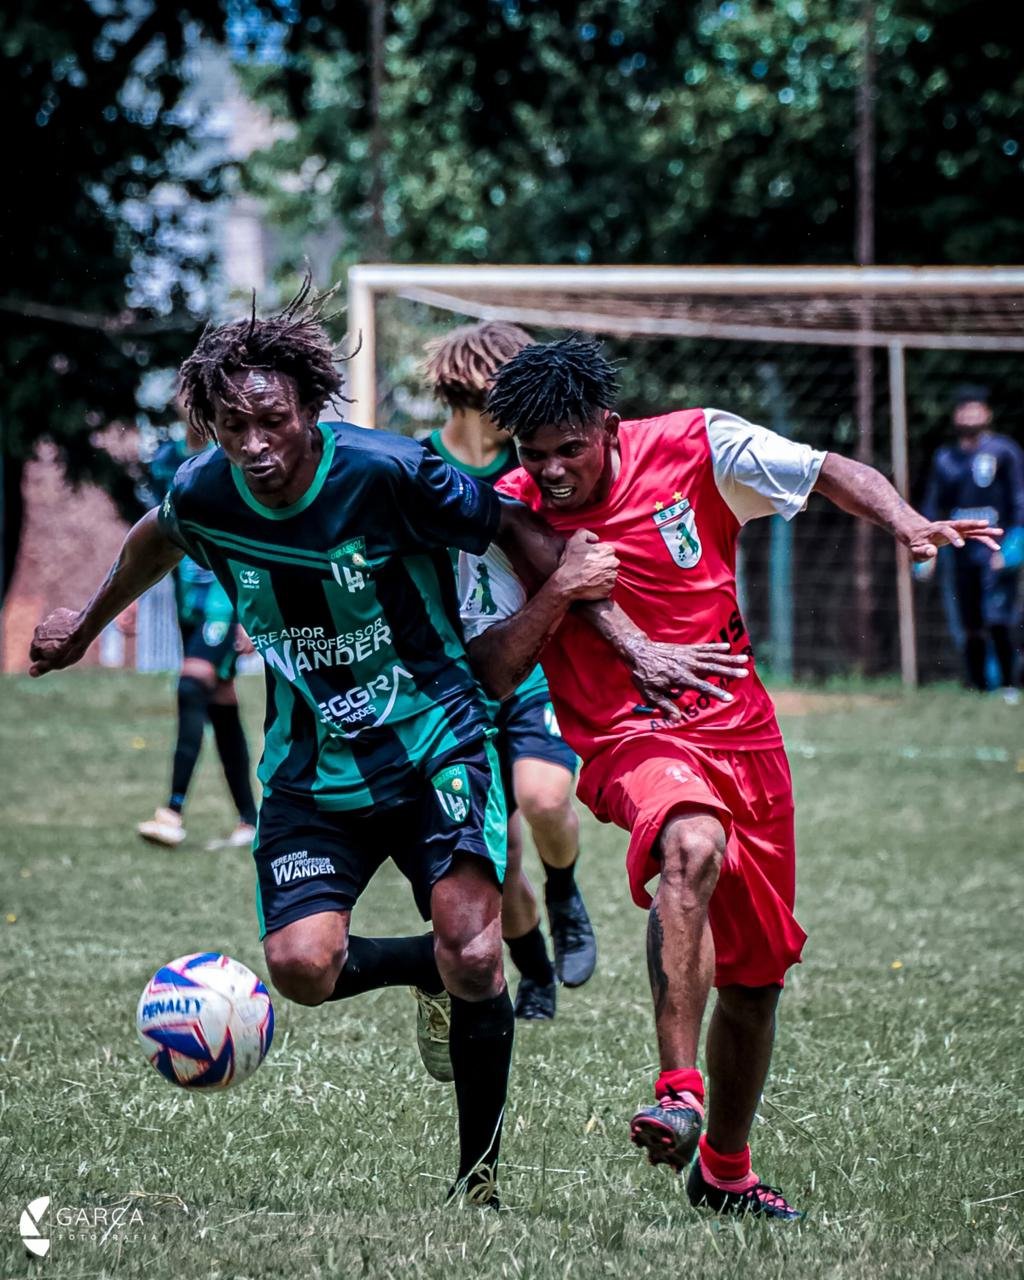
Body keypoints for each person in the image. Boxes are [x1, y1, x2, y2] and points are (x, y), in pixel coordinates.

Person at [28, 290, 730, 1208]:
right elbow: (154, 539)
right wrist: (82, 629)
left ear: (309, 410)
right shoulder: (205, 491)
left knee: (476, 952)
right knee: (301, 969)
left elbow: (522, 531)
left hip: (436, 742)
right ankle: (424, 973)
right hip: (310, 768)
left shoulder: (391, 471)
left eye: (273, 422)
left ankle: (477, 1184)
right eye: (233, 427)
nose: (254, 444)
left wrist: (631, 643)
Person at [459, 337, 1002, 1219]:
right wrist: (557, 591)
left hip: (746, 740)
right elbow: (490, 668)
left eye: (569, 449)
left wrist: (904, 520)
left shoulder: (698, 445)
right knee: (691, 842)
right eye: (533, 452)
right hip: (628, 739)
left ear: (610, 427)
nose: (550, 470)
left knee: (754, 983)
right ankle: (677, 1091)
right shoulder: (504, 517)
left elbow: (827, 471)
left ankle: (725, 1172)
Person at [423, 321, 594, 1022]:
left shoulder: (535, 469)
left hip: (532, 667)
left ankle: (567, 894)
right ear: (474, 394)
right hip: (458, 682)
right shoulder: (420, 467)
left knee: (545, 798)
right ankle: (535, 972)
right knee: (503, 855)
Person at [136, 426, 259, 850]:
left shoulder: (229, 460)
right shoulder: (166, 461)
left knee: (192, 686)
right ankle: (250, 820)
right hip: (187, 600)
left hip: (223, 600)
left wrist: (250, 612)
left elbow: (252, 532)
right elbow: (153, 530)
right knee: (220, 702)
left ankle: (172, 812)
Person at [920, 384, 1024, 699]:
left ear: (987, 413)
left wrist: (1014, 546)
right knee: (969, 623)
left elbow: (1019, 501)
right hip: (960, 552)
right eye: (963, 408)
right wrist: (927, 550)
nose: (969, 414)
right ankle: (977, 686)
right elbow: (933, 507)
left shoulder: (1005, 452)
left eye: (975, 407)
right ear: (955, 415)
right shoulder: (945, 458)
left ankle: (1008, 685)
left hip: (995, 551)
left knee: (998, 618)